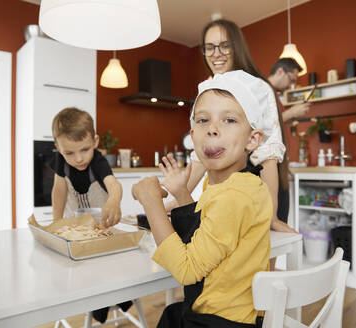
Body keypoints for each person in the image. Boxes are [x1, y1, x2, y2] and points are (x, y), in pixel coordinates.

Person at [132, 70, 272, 327]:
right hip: (230, 313)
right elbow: (205, 232)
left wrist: (151, 203)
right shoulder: (234, 184)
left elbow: (187, 270)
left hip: (222, 321)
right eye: (203, 120)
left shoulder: (235, 195)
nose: (213, 130)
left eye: (229, 120)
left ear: (253, 139)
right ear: (192, 134)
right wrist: (182, 194)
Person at [166, 19, 295, 235]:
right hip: (225, 193)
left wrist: (271, 214)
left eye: (224, 45)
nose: (217, 53)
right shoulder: (208, 90)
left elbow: (268, 154)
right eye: (210, 47)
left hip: (262, 190)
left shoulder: (257, 88)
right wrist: (176, 199)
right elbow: (200, 158)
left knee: (261, 266)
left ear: (237, 47)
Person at [50, 106, 131, 322]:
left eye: (84, 149)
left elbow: (114, 186)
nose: (78, 159)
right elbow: (59, 190)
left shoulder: (98, 161)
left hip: (103, 227)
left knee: (107, 265)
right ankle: (100, 299)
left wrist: (114, 201)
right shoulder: (60, 160)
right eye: (69, 153)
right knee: (81, 269)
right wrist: (56, 222)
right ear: (58, 148)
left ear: (95, 142)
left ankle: (116, 298)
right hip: (76, 229)